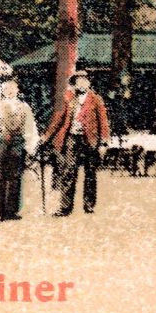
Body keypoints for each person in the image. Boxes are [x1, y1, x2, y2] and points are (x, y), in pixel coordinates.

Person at [42, 70, 109, 216]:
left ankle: (89, 205)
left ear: (89, 83)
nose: (81, 83)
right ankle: (65, 208)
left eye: (84, 81)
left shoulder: (96, 99)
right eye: (78, 81)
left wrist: (103, 143)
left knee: (90, 173)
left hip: (90, 141)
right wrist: (46, 137)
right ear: (75, 83)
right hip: (72, 139)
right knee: (68, 172)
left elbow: (103, 122)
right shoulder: (68, 98)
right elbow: (58, 119)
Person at [0, 79, 39, 222]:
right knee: (0, 177)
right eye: (6, 88)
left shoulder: (24, 106)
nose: (9, 91)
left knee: (15, 176)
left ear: (17, 90)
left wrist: (30, 145)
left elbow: (30, 126)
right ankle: (0, 211)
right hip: (0, 143)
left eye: (12, 88)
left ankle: (11, 211)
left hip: (17, 143)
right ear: (2, 91)